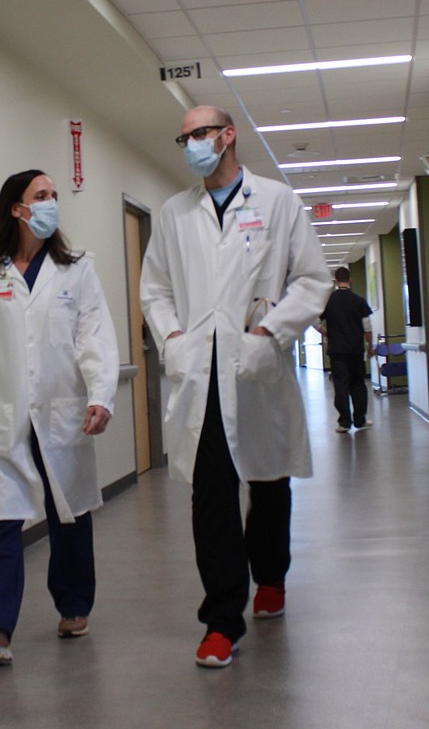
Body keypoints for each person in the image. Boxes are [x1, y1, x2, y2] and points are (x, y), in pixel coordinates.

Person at [139, 106, 329, 668]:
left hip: (255, 365)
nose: (192, 143)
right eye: (184, 136)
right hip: (200, 374)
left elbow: (312, 279)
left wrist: (270, 332)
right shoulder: (175, 213)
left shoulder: (276, 201)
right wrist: (172, 340)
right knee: (212, 496)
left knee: (268, 482)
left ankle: (270, 576)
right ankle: (222, 619)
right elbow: (154, 289)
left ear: (228, 136)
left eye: (201, 132)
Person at [0, 169, 119, 664]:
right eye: (42, 195)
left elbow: (94, 336)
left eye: (54, 195)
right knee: (3, 520)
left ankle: (73, 605)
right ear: (17, 208)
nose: (52, 202)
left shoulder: (77, 269)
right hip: (3, 416)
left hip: (61, 411)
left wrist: (101, 395)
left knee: (67, 514)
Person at [319, 266, 373, 433]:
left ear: (335, 280)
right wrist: (370, 346)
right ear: (350, 280)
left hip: (337, 349)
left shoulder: (329, 301)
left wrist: (326, 332)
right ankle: (360, 420)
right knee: (358, 384)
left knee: (340, 385)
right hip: (356, 349)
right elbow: (367, 327)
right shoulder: (359, 300)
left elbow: (314, 321)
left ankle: (344, 422)